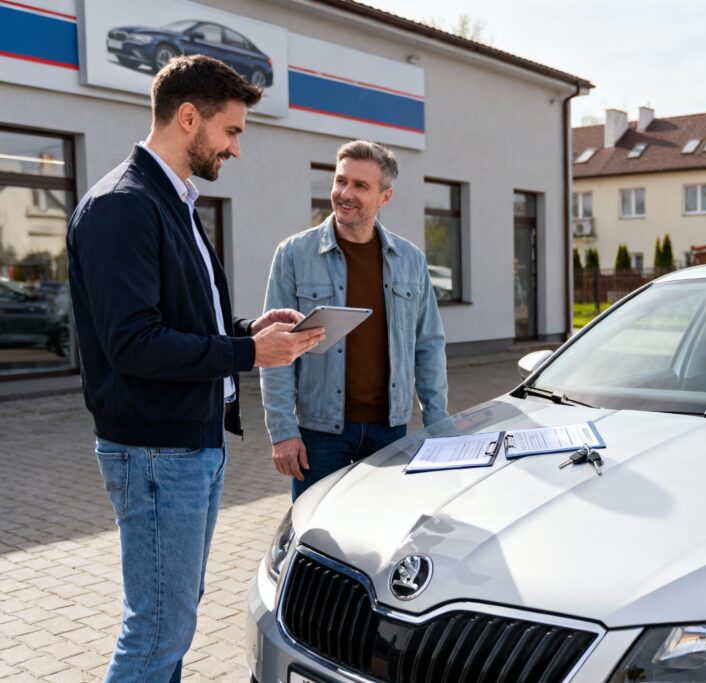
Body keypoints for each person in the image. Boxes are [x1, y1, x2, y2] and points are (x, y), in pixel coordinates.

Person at [66, 55, 324, 683]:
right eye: (231, 131)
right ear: (188, 117)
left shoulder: (173, 201)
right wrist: (245, 355)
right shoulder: (123, 206)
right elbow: (134, 344)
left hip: (189, 443)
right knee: (157, 629)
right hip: (156, 452)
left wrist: (248, 333)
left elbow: (177, 323)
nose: (235, 148)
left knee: (170, 622)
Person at [261, 140, 448, 499]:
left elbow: (428, 346)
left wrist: (437, 425)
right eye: (340, 181)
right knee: (315, 536)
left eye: (360, 186)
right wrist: (283, 431)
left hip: (390, 431)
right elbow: (276, 354)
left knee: (380, 536)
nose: (345, 193)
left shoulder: (410, 259)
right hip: (319, 433)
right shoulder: (294, 255)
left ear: (385, 197)